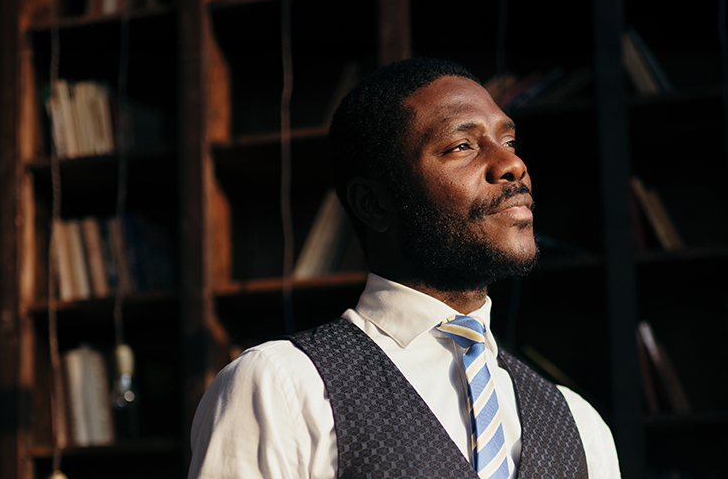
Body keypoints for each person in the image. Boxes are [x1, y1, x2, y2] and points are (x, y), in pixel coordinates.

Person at [188, 58, 619, 479]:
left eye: (507, 142)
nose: (512, 165)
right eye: (462, 146)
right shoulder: (280, 387)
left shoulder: (580, 423)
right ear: (373, 203)